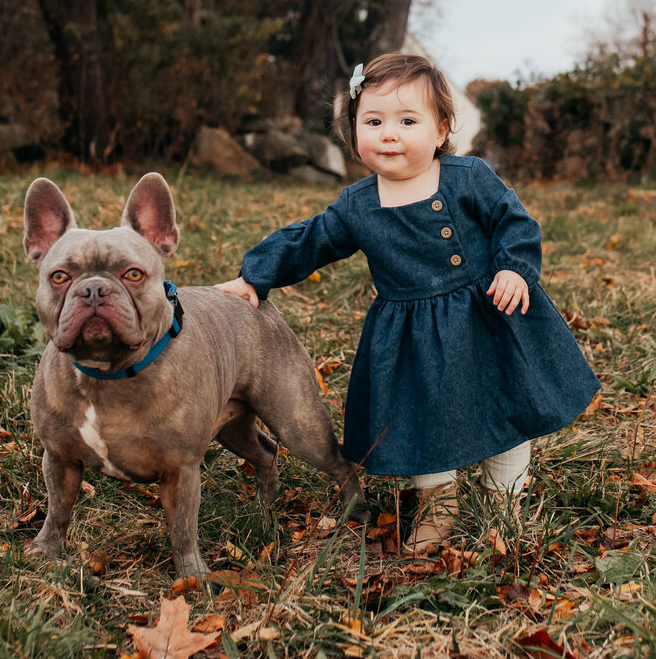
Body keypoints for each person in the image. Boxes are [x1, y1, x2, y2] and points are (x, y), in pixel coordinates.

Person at [215, 53, 600, 554]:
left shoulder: (469, 177)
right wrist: (255, 276)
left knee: (506, 403)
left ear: (441, 129)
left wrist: (513, 268)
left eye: (407, 120)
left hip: (487, 316)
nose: (389, 133)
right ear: (352, 130)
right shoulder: (357, 205)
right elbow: (309, 241)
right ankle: (437, 501)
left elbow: (515, 222)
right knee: (421, 418)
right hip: (412, 336)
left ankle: (504, 498)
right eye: (372, 121)